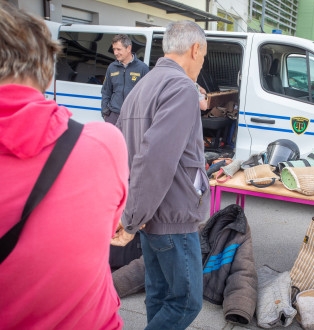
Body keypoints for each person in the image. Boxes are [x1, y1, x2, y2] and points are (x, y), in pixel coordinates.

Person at [0, 3, 128, 329]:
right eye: (111, 48)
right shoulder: (103, 146)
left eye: (117, 47)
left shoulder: (138, 68)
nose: (114, 51)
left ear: (128, 49)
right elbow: (108, 223)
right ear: (46, 69)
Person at [111, 20, 210, 329]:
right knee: (186, 303)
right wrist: (133, 215)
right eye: (204, 56)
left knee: (158, 294)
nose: (201, 62)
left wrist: (134, 212)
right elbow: (155, 159)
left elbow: (125, 150)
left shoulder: (144, 83)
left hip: (150, 214)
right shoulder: (181, 86)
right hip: (172, 216)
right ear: (195, 50)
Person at [101, 34, 149, 125]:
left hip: (133, 117)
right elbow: (106, 91)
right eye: (114, 49)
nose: (115, 53)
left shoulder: (142, 68)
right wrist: (105, 113)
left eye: (118, 49)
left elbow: (148, 95)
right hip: (113, 116)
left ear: (128, 48)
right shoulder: (112, 67)